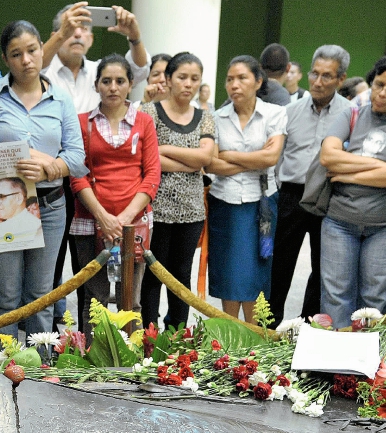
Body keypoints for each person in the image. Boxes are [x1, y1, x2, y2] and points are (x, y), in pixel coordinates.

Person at [0, 20, 86, 337]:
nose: (26, 60)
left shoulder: (61, 99)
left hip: (50, 205)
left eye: (32, 50)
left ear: (42, 50)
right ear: (7, 59)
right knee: (5, 296)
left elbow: (77, 158)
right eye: (16, 54)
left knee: (41, 296)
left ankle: (39, 371)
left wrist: (51, 169)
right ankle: (0, 370)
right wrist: (35, 156)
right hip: (4, 204)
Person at [318, 53, 386, 326]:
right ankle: (335, 365)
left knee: (375, 299)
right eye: (379, 84)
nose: (382, 93)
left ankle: (363, 365)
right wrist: (380, 168)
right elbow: (328, 157)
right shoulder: (351, 113)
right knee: (335, 297)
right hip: (340, 222)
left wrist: (347, 172)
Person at [69, 55, 160, 336]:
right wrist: (103, 218)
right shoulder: (82, 122)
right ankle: (92, 362)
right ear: (96, 85)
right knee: (93, 300)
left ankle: (131, 363)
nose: (113, 87)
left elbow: (152, 174)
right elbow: (76, 173)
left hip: (135, 224)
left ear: (131, 84)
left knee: (130, 302)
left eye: (120, 81)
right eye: (106, 81)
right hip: (89, 220)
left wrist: (122, 220)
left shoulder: (144, 122)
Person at [270, 45, 353, 322]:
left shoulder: (351, 114)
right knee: (279, 264)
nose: (318, 82)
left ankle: (309, 325)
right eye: (314, 74)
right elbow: (277, 157)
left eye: (326, 76)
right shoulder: (290, 111)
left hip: (330, 195)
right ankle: (270, 325)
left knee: (323, 266)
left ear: (341, 79)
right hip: (291, 195)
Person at [205, 55, 287, 324]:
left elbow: (270, 158)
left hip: (261, 205)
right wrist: (253, 159)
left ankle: (253, 337)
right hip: (224, 203)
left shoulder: (274, 114)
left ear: (258, 81)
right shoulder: (216, 117)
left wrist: (229, 154)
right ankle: (229, 335)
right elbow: (212, 164)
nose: (234, 85)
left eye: (242, 78)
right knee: (228, 271)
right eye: (230, 79)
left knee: (256, 272)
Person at [139, 52, 216, 330]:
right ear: (168, 79)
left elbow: (206, 158)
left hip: (191, 211)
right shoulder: (148, 112)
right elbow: (146, 157)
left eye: (195, 79)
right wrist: (189, 160)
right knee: (151, 274)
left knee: (181, 274)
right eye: (182, 77)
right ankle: (148, 335)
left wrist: (162, 150)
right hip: (153, 208)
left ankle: (177, 335)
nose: (188, 84)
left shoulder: (205, 117)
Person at [42, 2, 150, 113]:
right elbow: (32, 67)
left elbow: (138, 71)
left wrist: (134, 37)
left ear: (91, 39)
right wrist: (61, 35)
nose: (78, 34)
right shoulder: (40, 71)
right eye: (71, 28)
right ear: (54, 37)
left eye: (83, 28)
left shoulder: (100, 71)